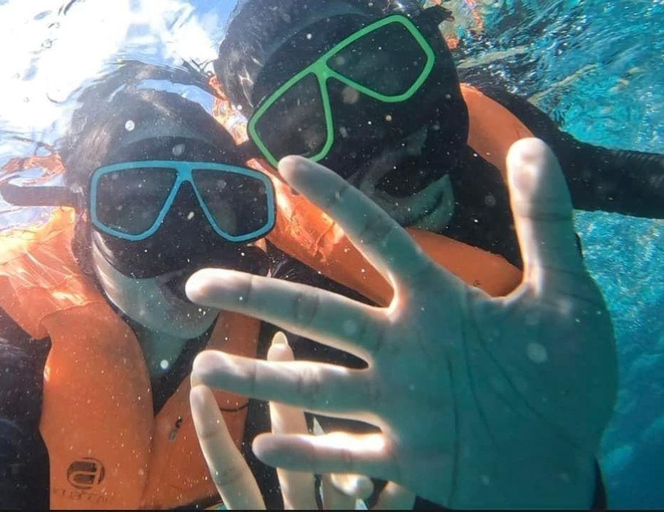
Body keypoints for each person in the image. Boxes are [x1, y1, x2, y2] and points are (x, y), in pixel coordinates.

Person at [188, 139, 617, 509]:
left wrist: (550, 482)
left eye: (391, 75)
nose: (381, 153)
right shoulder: (296, 332)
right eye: (308, 129)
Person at [0, 85, 284, 510]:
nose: (189, 237)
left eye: (216, 197)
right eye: (139, 203)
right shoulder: (19, 344)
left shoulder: (278, 329)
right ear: (84, 217)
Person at [214, 0, 664, 267]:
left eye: (385, 72)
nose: (378, 137)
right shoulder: (301, 294)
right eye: (305, 130)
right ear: (274, 166)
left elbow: (634, 180)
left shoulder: (509, 149)